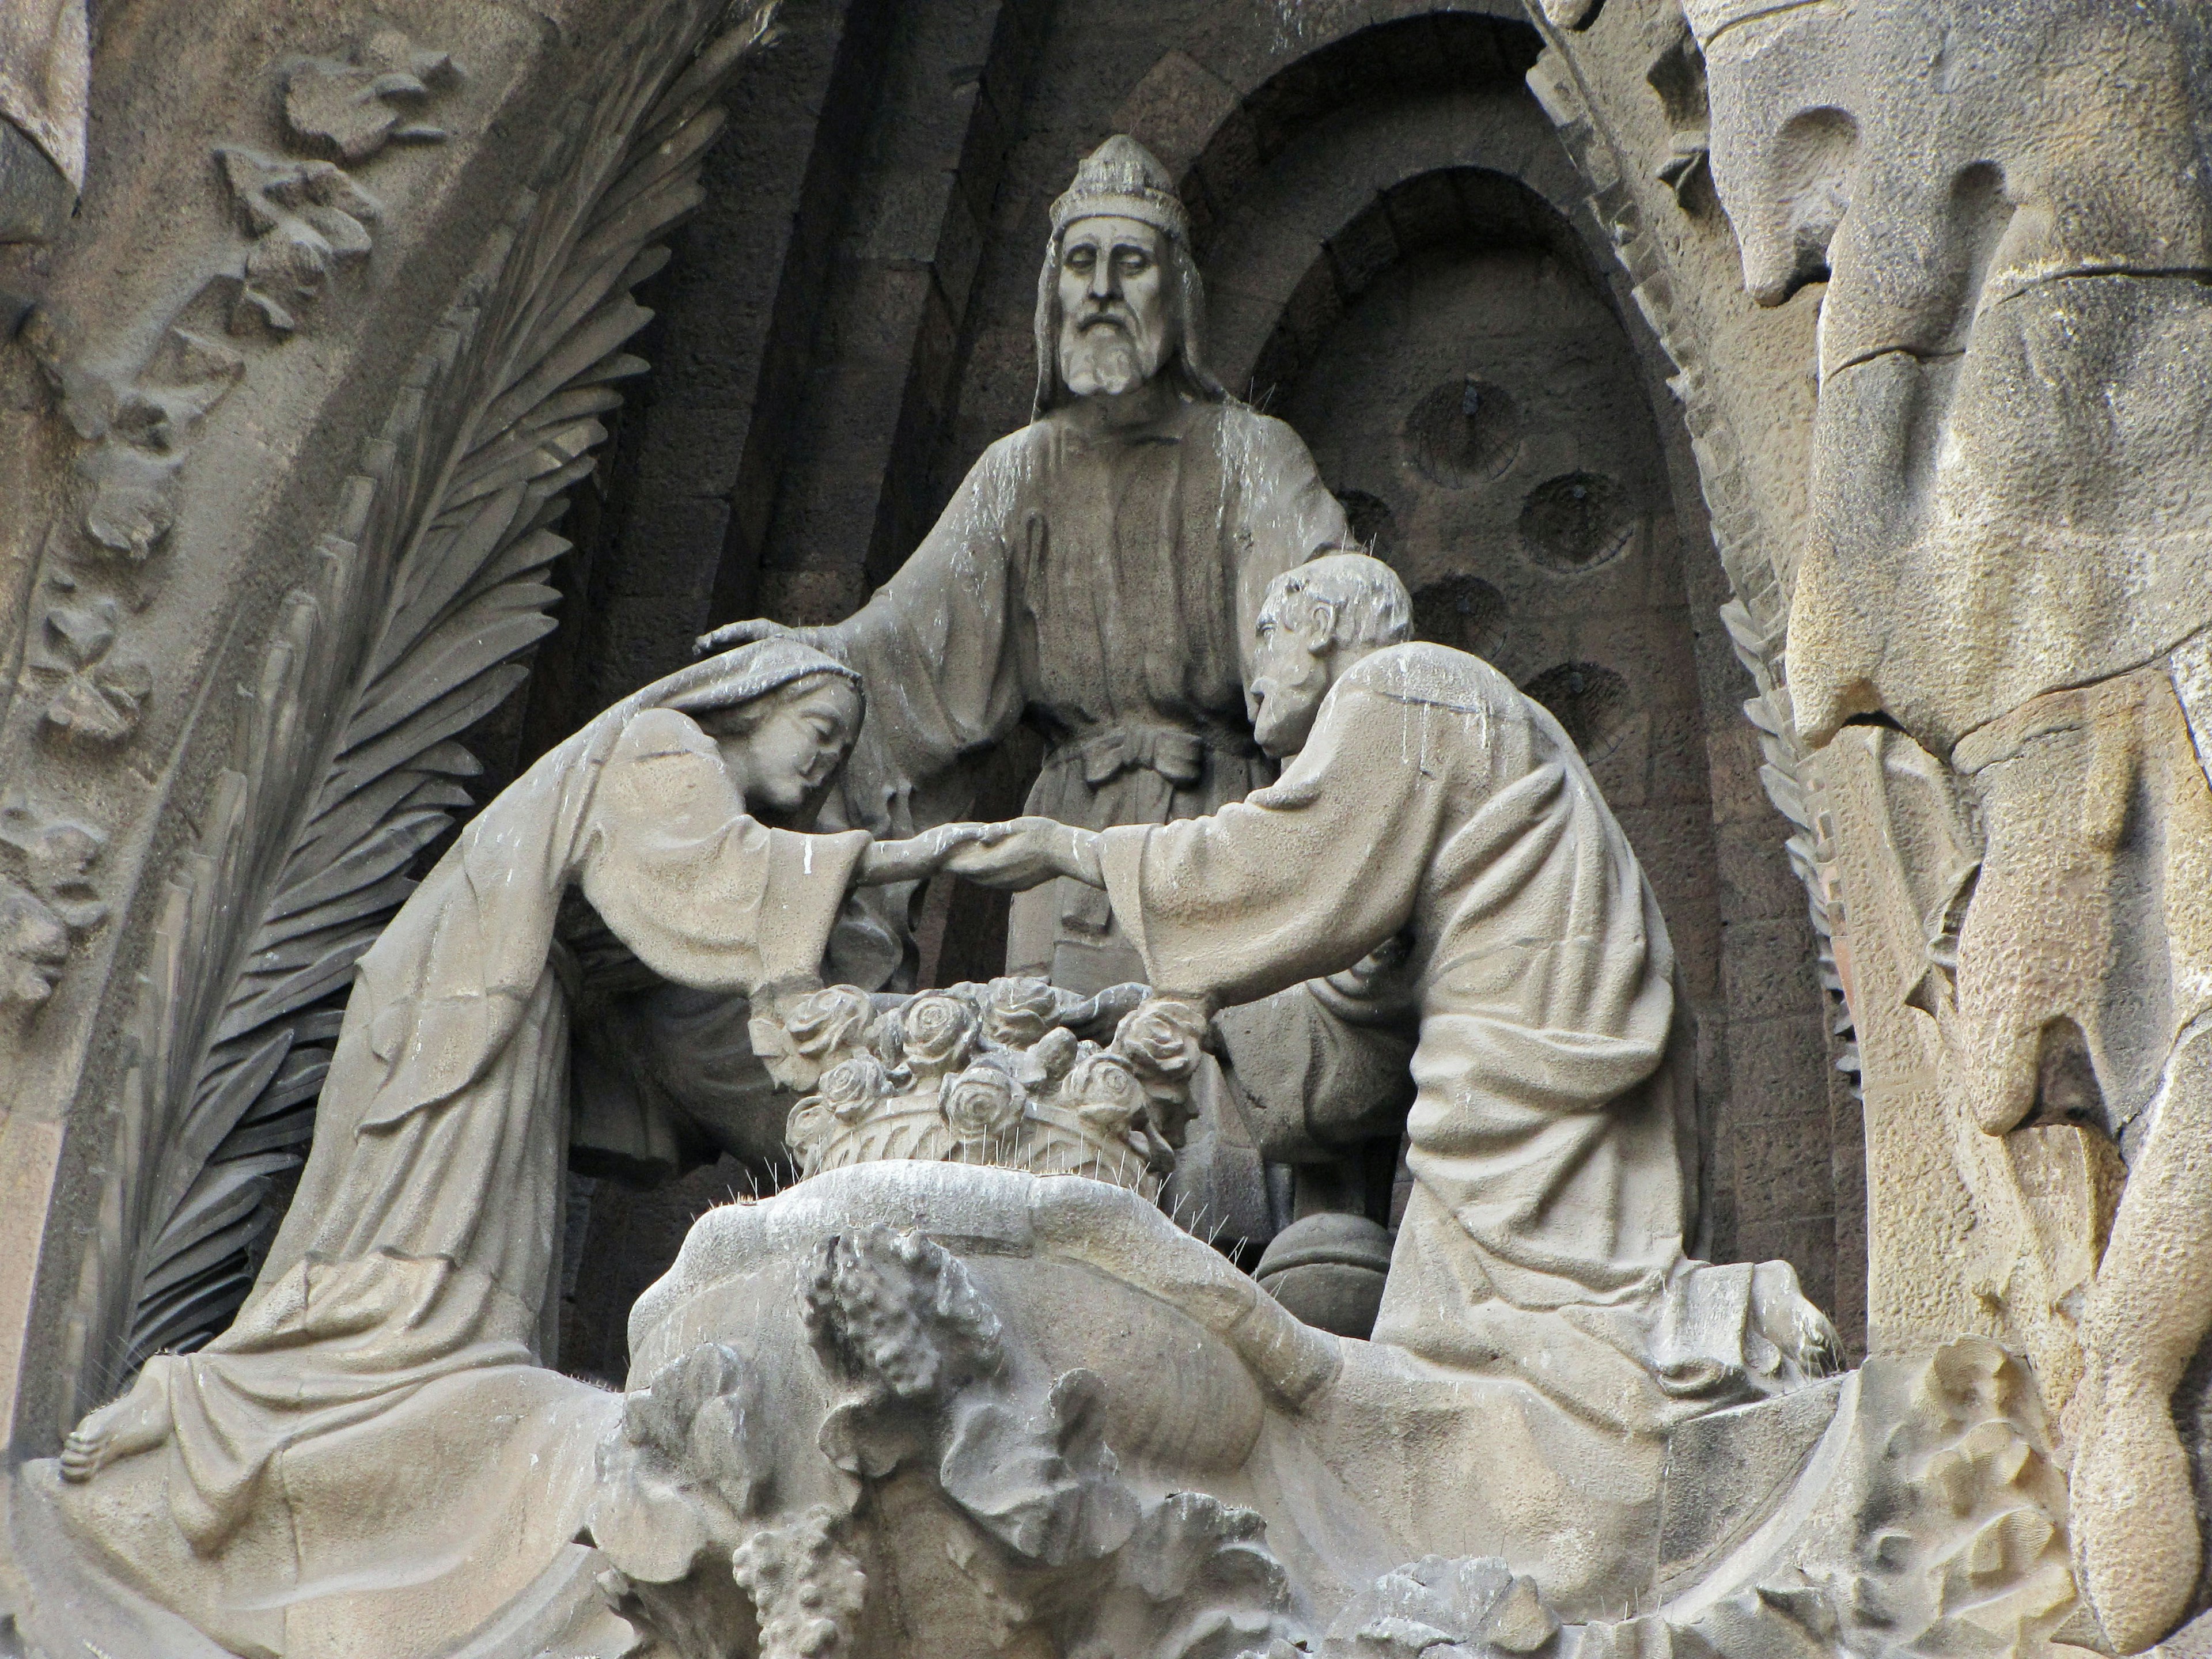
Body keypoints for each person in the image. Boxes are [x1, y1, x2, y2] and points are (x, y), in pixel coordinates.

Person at [47, 638, 976, 1657]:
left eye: (840, 752)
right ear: (750, 704)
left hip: (506, 1008)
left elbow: (701, 1013)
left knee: (444, 1288)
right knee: (398, 1275)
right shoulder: (667, 749)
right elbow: (715, 886)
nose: (822, 766)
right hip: (465, 1011)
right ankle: (207, 1409)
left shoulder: (682, 784)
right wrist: (904, 859)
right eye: (819, 732)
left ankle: (275, 1398)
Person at [946, 555, 1840, 1419]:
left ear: (1325, 625)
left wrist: (1076, 850)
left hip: (1522, 1048)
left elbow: (1282, 864)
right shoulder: (1469, 715)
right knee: (1507, 1332)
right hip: (1547, 1029)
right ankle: (1729, 1326)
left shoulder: (1403, 689)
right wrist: (1201, 1016)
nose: (1249, 679)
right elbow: (1361, 998)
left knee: (1514, 1333)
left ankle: (1737, 1322)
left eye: (1266, 640)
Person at [697, 134, 1355, 995]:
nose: (1104, 291)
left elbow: (1335, 632)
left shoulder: (1254, 457)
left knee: (1207, 1083)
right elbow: (902, 648)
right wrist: (790, 668)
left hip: (1215, 829)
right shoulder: (1018, 473)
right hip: (1065, 837)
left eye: (1130, 263)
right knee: (1059, 1081)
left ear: (1178, 294)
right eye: (1081, 264)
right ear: (1053, 296)